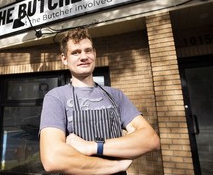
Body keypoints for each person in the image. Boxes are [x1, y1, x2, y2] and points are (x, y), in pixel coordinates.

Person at [39, 28, 160, 174]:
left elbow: (150, 139)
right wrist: (116, 166)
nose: (83, 56)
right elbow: (53, 158)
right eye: (76, 52)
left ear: (94, 54)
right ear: (64, 59)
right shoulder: (56, 97)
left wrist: (92, 146)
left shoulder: (115, 95)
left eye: (88, 50)